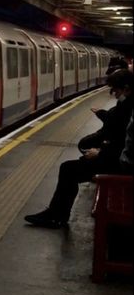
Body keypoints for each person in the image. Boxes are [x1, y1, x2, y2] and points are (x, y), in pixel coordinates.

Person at [24, 68, 134, 229]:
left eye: (115, 90)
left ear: (126, 88)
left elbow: (126, 144)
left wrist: (101, 152)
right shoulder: (127, 104)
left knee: (68, 169)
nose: (114, 94)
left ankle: (56, 215)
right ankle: (57, 214)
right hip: (117, 159)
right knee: (72, 167)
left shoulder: (129, 107)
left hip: (120, 166)